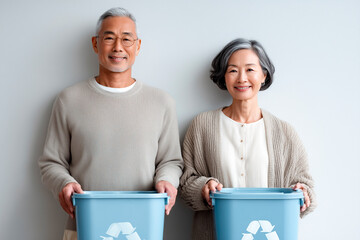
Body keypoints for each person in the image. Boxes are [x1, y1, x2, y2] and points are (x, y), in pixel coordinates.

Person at [38, 7, 183, 240]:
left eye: (127, 39)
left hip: (144, 227)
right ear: (96, 44)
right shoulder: (69, 99)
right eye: (109, 38)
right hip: (83, 227)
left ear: (138, 46)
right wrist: (64, 183)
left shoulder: (161, 102)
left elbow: (171, 161)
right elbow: (50, 163)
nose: (118, 47)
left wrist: (167, 180)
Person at [179, 38, 316, 240]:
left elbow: (306, 189)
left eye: (250, 69)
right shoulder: (201, 125)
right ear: (224, 76)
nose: (242, 78)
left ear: (264, 75)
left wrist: (304, 194)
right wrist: (204, 187)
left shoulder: (285, 133)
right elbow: (185, 183)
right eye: (233, 70)